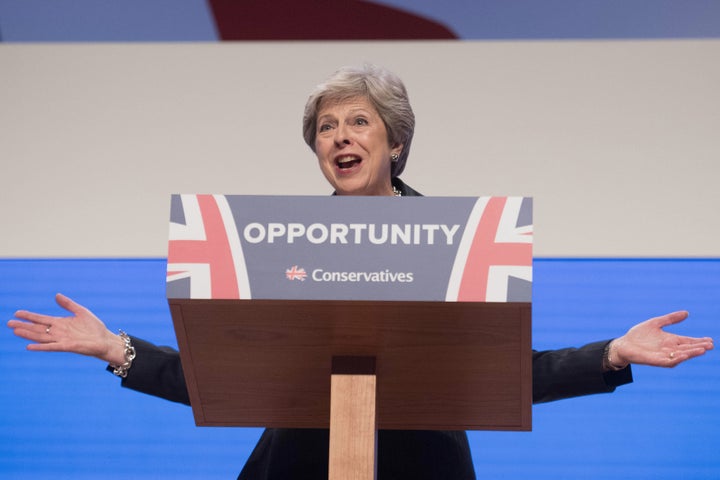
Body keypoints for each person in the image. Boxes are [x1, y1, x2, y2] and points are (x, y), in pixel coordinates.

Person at [7, 64, 714, 479]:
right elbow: (232, 378)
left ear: (395, 142)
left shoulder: (457, 242)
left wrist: (611, 355)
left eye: (358, 122)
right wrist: (115, 349)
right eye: (325, 127)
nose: (339, 136)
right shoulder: (274, 246)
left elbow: (497, 378)